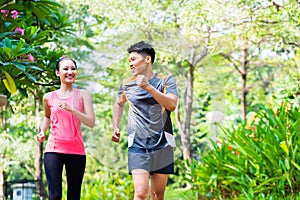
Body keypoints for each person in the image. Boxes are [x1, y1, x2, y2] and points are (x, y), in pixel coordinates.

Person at [112, 41, 178, 200]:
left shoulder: (165, 80)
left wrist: (148, 87)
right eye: (129, 61)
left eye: (133, 59)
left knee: (157, 194)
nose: (130, 64)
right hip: (138, 145)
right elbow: (118, 104)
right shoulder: (127, 84)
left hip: (163, 143)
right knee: (141, 193)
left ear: (147, 59)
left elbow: (172, 104)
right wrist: (115, 125)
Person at [36, 57, 95, 200]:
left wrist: (72, 109)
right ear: (57, 73)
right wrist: (42, 131)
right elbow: (48, 116)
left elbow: (91, 122)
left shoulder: (83, 95)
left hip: (76, 150)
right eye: (66, 69)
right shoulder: (48, 97)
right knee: (55, 195)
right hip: (54, 149)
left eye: (73, 69)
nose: (70, 72)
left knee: (73, 196)